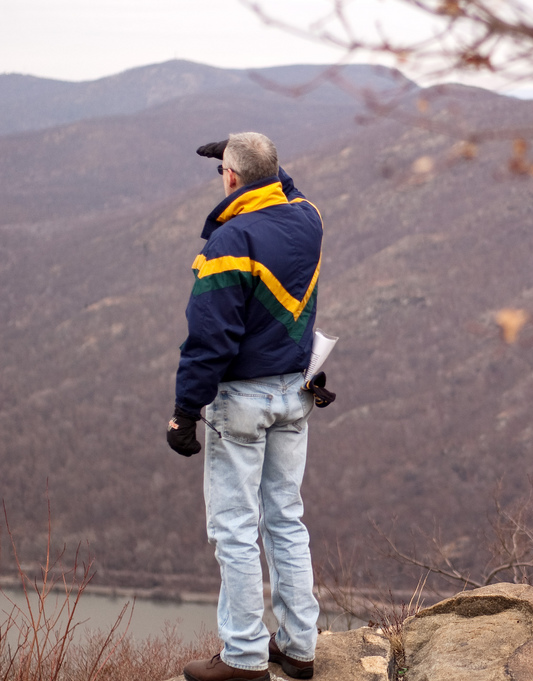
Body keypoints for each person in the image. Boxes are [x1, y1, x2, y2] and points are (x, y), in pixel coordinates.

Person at [166, 132, 323, 681]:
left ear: (230, 178)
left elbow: (210, 338)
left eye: (225, 172)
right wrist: (248, 155)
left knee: (234, 529)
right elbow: (286, 189)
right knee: (286, 519)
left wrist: (185, 411)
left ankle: (244, 657)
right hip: (294, 394)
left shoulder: (230, 241)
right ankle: (299, 648)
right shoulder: (309, 219)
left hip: (242, 401)